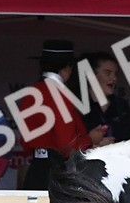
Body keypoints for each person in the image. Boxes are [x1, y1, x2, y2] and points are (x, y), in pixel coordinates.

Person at [19, 40, 95, 190]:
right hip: (57, 174)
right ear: (67, 68)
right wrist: (89, 140)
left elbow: (25, 144)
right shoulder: (60, 95)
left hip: (35, 170)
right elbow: (66, 146)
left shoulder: (31, 92)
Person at [73, 52, 130, 145]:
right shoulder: (77, 106)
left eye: (115, 74)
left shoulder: (121, 106)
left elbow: (128, 138)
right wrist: (92, 143)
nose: (114, 78)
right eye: (108, 73)